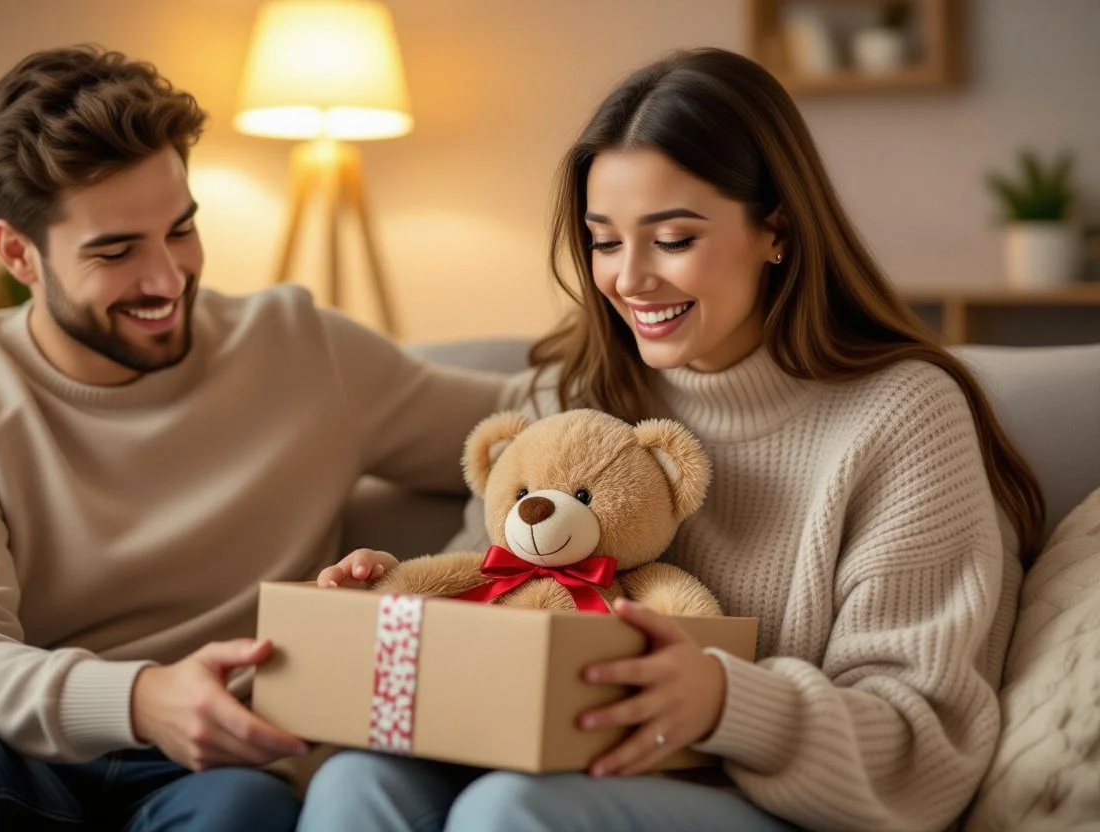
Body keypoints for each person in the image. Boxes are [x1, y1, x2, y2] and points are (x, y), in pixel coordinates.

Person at [305, 47, 1044, 832]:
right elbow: (492, 593)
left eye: (674, 239)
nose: (629, 279)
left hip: (775, 807)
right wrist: (396, 598)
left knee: (509, 811)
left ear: (777, 232)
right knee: (358, 782)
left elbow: (924, 751)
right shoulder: (568, 392)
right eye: (604, 241)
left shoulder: (900, 417)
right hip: (561, 773)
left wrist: (729, 702)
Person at [0, 45, 508, 831]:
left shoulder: (300, 348)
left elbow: (523, 435)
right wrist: (138, 698)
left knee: (245, 804)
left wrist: (429, 582)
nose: (167, 280)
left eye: (181, 230)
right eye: (116, 251)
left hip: (225, 764)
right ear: (18, 253)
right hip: (27, 757)